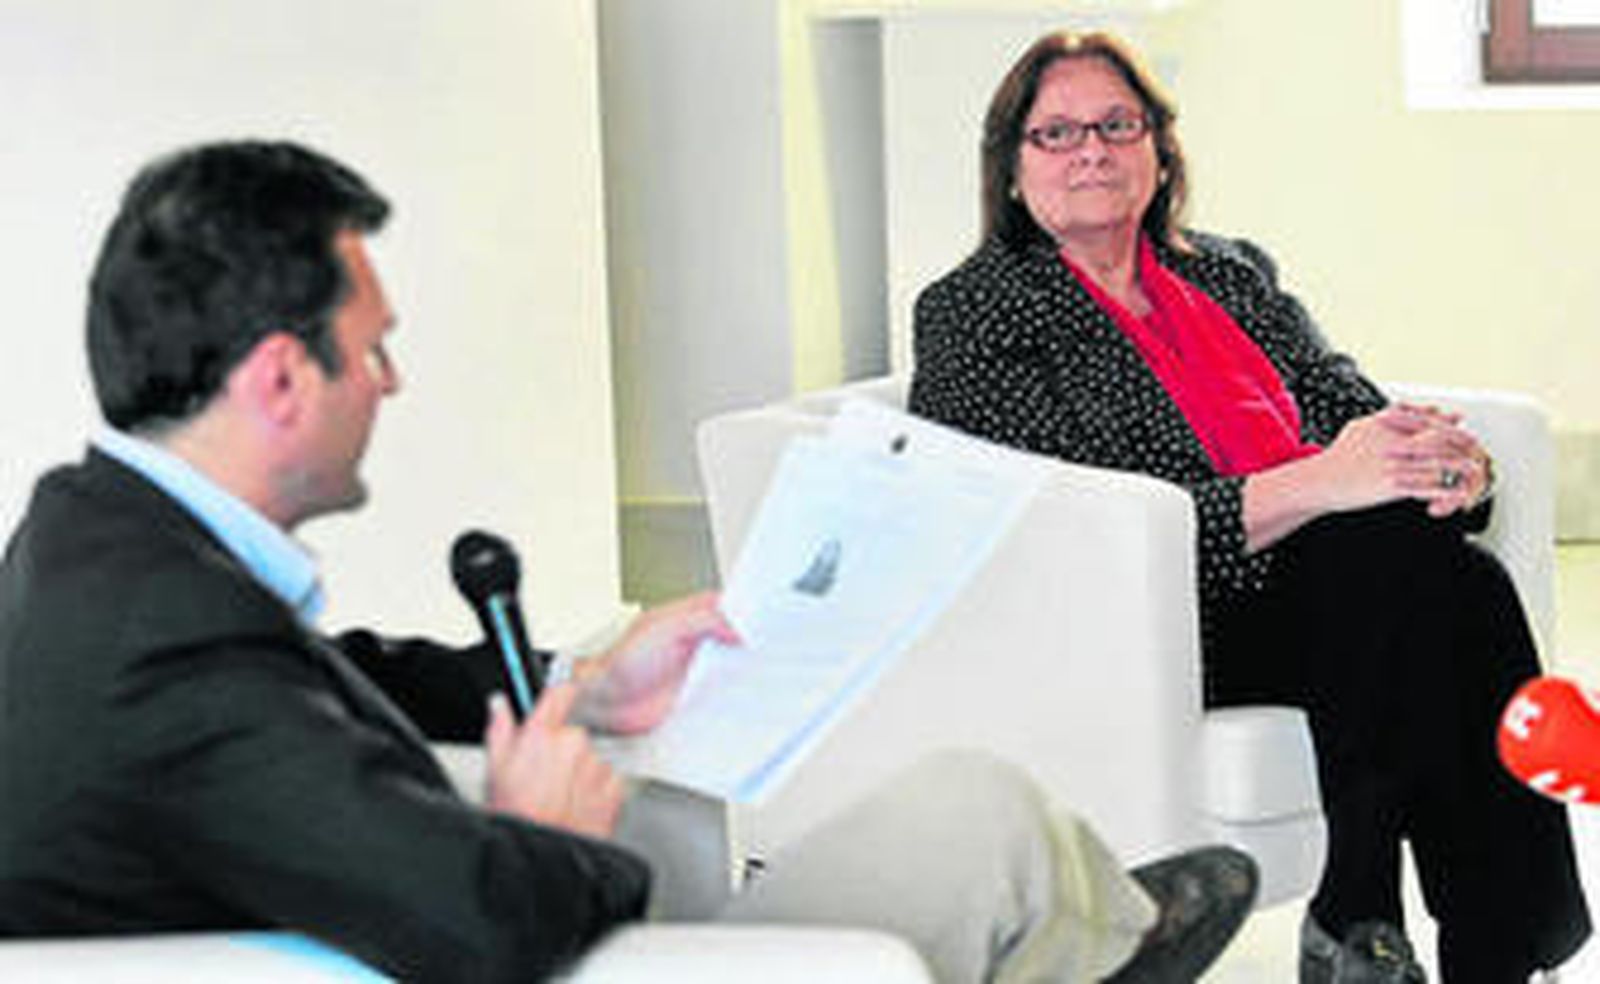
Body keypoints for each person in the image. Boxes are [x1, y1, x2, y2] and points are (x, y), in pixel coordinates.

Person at [0, 140, 1258, 982]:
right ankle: (1099, 945)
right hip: (518, 935)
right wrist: (545, 827)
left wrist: (584, 685)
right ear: (282, 377)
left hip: (460, 907)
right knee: (987, 827)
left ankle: (1094, 938)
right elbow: (483, 922)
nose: (391, 382)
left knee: (971, 827)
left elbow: (338, 677)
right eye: (371, 350)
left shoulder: (102, 546)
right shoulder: (159, 643)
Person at [908, 29, 1591, 984]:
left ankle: (1370, 934)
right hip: (1144, 623)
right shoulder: (973, 312)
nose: (1092, 150)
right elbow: (1086, 526)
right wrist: (1327, 483)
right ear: (1012, 171)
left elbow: (1345, 401)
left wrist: (1447, 469)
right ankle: (1444, 936)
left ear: (1159, 147)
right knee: (1426, 578)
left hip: (1318, 589)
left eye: (1117, 123)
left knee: (1428, 567)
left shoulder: (1228, 273)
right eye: (1055, 134)